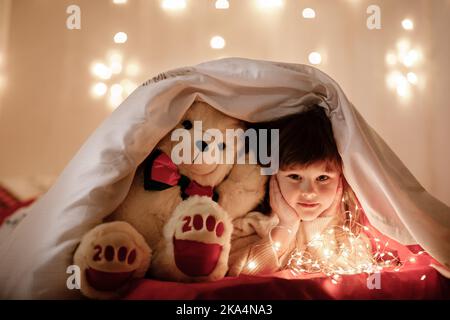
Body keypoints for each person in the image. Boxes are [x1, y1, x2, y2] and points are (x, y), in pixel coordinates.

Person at [228, 106, 373, 276]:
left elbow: (352, 272)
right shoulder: (254, 225)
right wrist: (285, 227)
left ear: (340, 179)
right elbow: (238, 274)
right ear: (274, 177)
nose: (309, 192)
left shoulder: (346, 227)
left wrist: (317, 227)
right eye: (295, 177)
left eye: (322, 178)